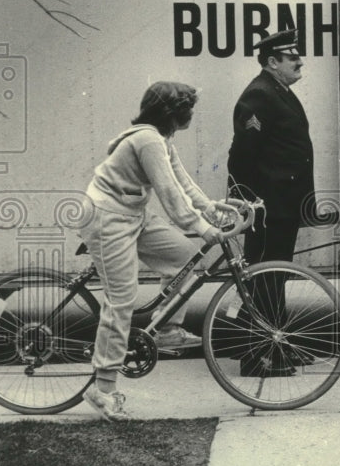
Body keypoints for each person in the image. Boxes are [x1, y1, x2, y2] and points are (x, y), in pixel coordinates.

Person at [80, 81, 230, 421]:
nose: (190, 113)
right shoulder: (147, 140)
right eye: (186, 108)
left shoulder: (161, 138)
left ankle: (167, 330)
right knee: (122, 299)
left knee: (184, 258)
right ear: (170, 113)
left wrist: (210, 208)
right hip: (107, 218)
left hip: (132, 213)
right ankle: (102, 389)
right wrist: (205, 228)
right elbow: (168, 193)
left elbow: (181, 180)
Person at [227, 27, 319, 376]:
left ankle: (277, 347)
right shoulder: (260, 95)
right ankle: (257, 357)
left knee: (274, 277)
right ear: (271, 62)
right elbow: (242, 157)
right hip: (268, 207)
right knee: (265, 278)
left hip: (281, 204)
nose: (300, 61)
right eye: (291, 57)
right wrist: (246, 205)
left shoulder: (275, 90)